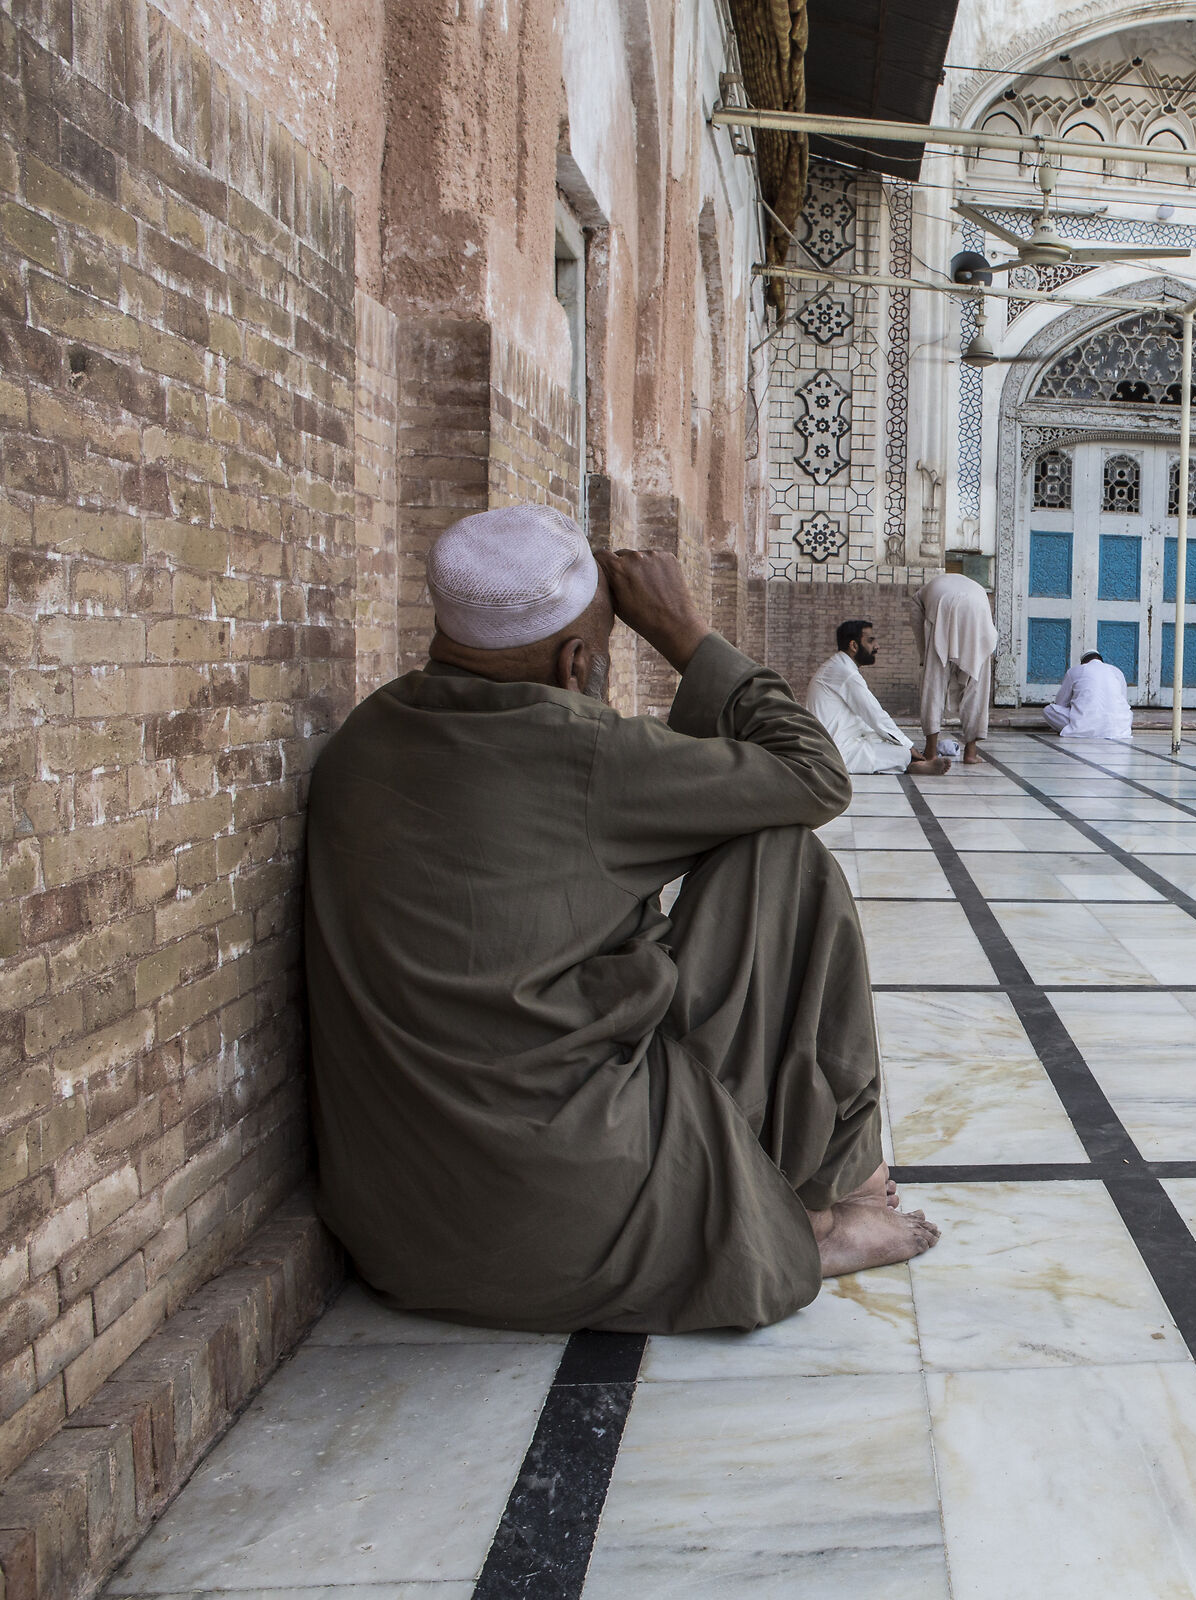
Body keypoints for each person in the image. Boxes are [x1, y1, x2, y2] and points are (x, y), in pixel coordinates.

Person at [304, 504, 938, 1335]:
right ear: (577, 662)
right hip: (585, 1217)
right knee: (783, 859)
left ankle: (836, 1187)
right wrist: (684, 634)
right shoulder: (582, 749)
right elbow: (815, 775)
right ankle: (829, 1208)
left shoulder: (365, 740)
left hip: (408, 1233)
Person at [807, 620, 949, 775]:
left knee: (885, 739)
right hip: (834, 751)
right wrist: (909, 746)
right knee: (901, 752)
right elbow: (875, 714)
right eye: (870, 641)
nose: (877, 646)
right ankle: (912, 763)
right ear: (854, 646)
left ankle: (911, 763)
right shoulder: (845, 673)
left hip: (836, 741)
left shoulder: (839, 665)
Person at [913, 570, 997, 765]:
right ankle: (970, 752)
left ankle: (931, 751)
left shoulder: (919, 597)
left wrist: (925, 657)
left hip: (944, 607)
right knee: (976, 683)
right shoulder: (973, 587)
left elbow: (918, 624)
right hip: (978, 611)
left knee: (933, 682)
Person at [1044, 651, 1134, 740]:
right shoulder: (1117, 671)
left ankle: (1076, 730)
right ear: (1101, 660)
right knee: (1127, 712)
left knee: (1048, 710)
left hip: (1084, 725)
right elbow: (1123, 702)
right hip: (1119, 730)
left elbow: (1060, 703)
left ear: (1083, 663)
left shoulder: (1076, 670)